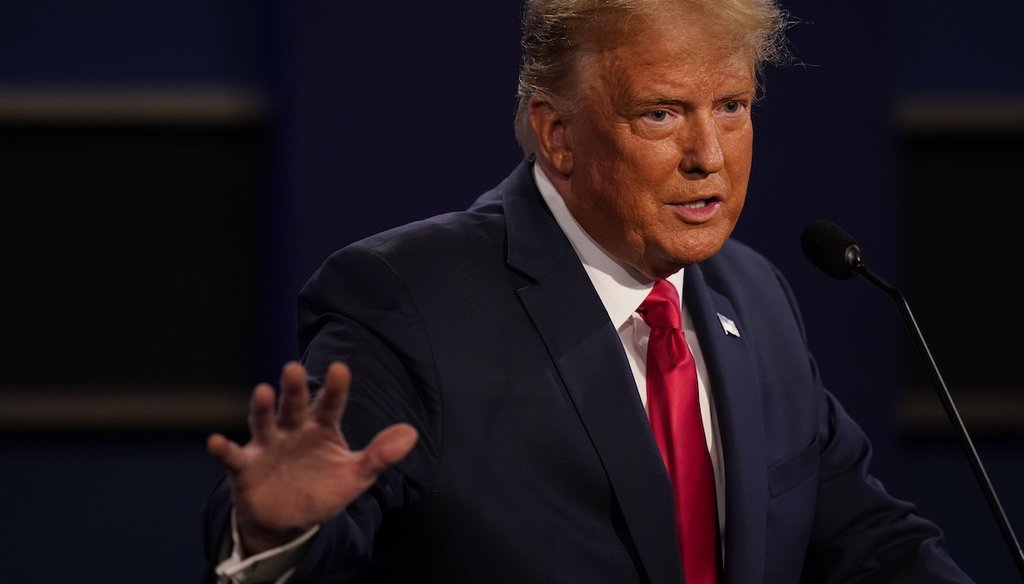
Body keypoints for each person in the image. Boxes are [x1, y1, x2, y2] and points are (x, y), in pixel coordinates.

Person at [202, 0, 974, 582]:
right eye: (661, 113)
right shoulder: (409, 300)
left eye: (732, 107)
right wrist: (275, 536)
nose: (709, 155)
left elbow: (870, 542)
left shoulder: (756, 293)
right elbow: (332, 527)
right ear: (559, 136)